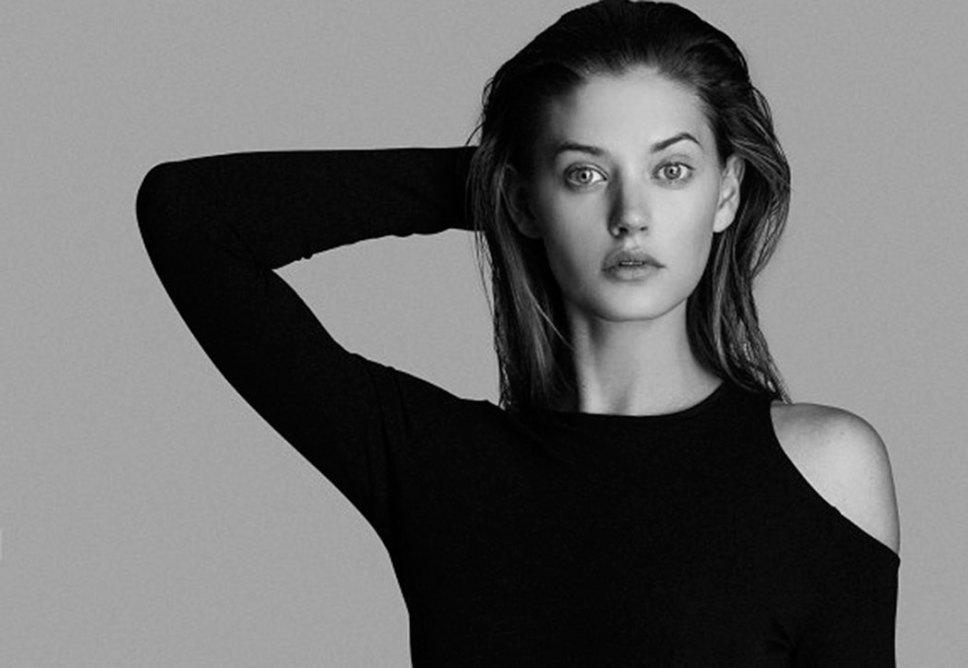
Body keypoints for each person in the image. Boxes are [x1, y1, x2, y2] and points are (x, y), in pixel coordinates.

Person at [136, 0, 901, 664]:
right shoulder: (437, 466)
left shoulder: (823, 471)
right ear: (527, 202)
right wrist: (497, 180)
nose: (630, 215)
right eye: (585, 174)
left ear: (727, 193)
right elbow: (191, 215)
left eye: (670, 170)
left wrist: (540, 174)